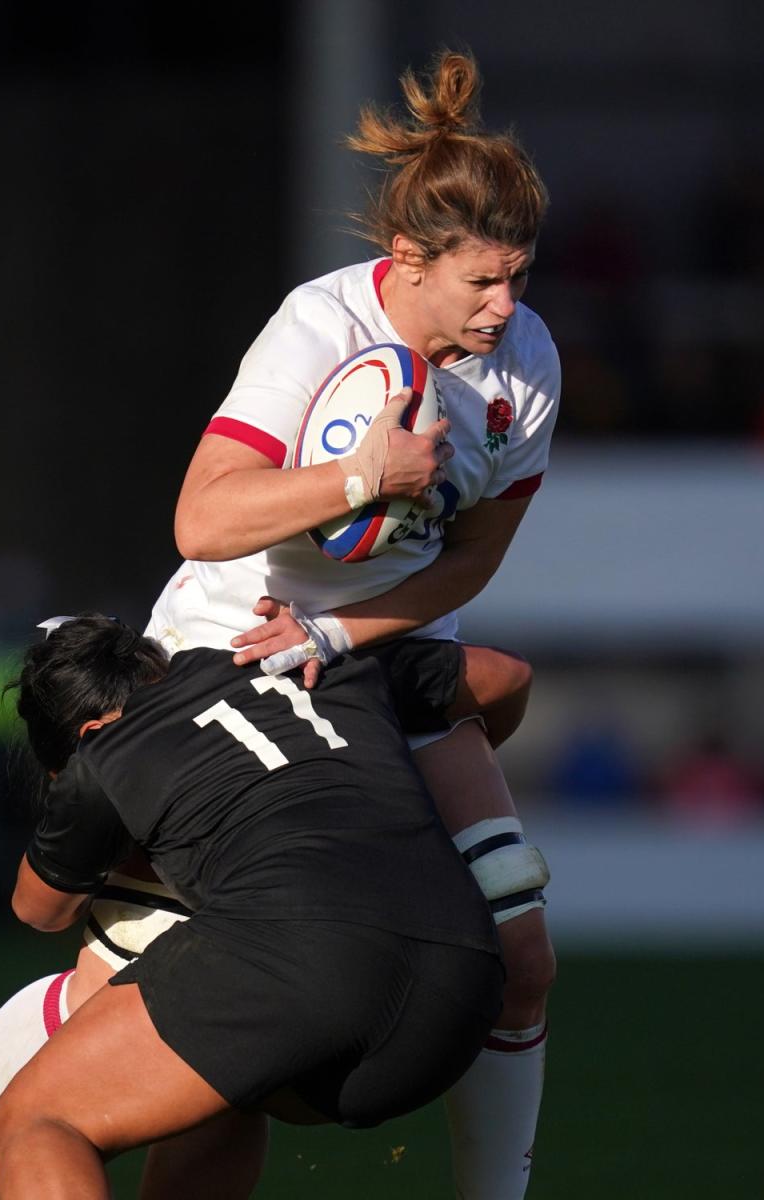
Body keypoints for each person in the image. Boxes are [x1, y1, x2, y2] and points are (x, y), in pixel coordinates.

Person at [146, 46, 559, 1199]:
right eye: (482, 281)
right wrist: (360, 480)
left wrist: (340, 638)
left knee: (519, 950)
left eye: (519, 276)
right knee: (229, 1013)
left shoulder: (525, 364)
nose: (506, 306)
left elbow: (470, 561)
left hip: (365, 657)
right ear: (407, 262)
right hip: (230, 659)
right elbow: (200, 520)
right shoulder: (313, 328)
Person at [0, 614, 503, 1197]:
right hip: (463, 986)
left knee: (36, 1119)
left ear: (88, 729)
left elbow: (39, 909)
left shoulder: (104, 749)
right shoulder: (305, 660)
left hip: (304, 960)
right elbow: (507, 677)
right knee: (215, 1090)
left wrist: (88, 808)